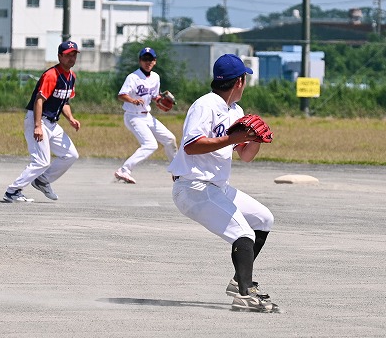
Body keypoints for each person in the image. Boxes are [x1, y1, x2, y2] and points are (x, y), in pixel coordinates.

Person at [168, 54, 278, 312]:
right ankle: (245, 293)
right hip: (193, 187)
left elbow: (246, 156)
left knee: (263, 219)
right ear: (239, 81)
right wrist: (232, 139)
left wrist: (255, 140)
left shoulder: (236, 111)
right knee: (243, 234)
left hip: (217, 187)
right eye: (245, 79)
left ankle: (239, 280)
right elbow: (191, 145)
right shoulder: (205, 105)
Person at [4, 40, 81, 203]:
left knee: (71, 155)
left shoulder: (71, 77)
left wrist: (71, 118)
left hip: (52, 123)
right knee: (41, 161)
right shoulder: (51, 75)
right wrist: (37, 126)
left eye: (74, 55)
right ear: (60, 56)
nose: (71, 58)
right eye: (68, 55)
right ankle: (12, 191)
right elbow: (39, 100)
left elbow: (64, 102)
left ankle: (42, 180)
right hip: (38, 120)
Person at [114, 47, 178, 184]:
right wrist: (133, 100)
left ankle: (177, 172)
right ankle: (124, 170)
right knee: (150, 144)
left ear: (155, 61)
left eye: (150, 59)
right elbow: (121, 95)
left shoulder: (155, 77)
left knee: (170, 139)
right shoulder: (133, 77)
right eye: (145, 59)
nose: (147, 62)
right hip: (133, 116)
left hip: (147, 116)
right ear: (140, 61)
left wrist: (160, 100)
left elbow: (154, 96)